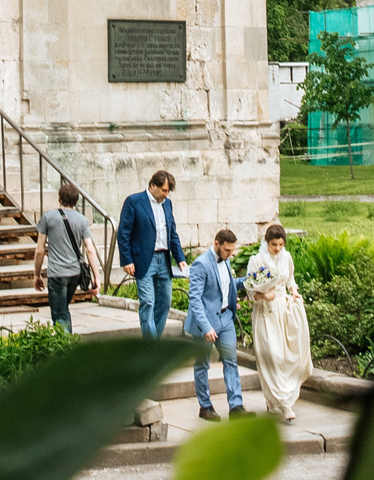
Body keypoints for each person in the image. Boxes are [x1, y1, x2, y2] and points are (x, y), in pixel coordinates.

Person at [245, 222, 311, 423]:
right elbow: (250, 288)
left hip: (283, 309)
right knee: (271, 354)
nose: (277, 248)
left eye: (281, 245)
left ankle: (275, 399)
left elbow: (290, 279)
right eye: (274, 244)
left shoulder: (287, 257)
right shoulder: (256, 260)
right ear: (267, 242)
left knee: (285, 354)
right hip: (265, 311)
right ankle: (284, 404)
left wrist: (294, 291)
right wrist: (263, 295)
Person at [185, 228, 246, 419]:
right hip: (205, 323)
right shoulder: (201, 264)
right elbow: (194, 299)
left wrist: (250, 280)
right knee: (202, 365)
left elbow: (226, 285)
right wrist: (206, 327)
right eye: (227, 250)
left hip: (225, 318)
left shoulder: (225, 260)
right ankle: (205, 407)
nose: (231, 254)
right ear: (217, 244)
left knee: (231, 361)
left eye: (232, 251)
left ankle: (236, 407)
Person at [116, 171, 182, 337]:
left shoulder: (167, 204)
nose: (165, 195)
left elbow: (172, 232)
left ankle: (154, 342)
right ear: (152, 185)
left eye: (168, 191)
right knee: (147, 302)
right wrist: (127, 260)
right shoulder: (134, 202)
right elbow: (123, 233)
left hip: (164, 259)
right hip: (143, 259)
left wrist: (180, 258)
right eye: (163, 190)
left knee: (165, 302)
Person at [38, 179, 102, 333]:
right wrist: (97, 277)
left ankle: (65, 348)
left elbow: (40, 249)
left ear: (59, 199)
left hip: (57, 273)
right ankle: (66, 343)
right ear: (76, 201)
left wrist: (36, 274)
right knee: (63, 310)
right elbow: (90, 249)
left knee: (59, 314)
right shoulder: (82, 220)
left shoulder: (48, 218)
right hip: (75, 273)